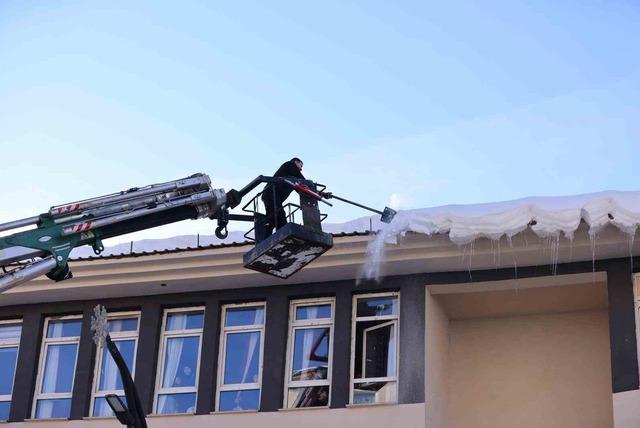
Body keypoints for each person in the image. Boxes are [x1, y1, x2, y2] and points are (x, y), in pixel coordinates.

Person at [261, 157, 305, 234]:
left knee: (274, 217)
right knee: (279, 215)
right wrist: (309, 184)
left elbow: (300, 189)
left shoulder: (291, 178)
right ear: (296, 162)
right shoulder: (290, 164)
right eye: (300, 166)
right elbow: (301, 179)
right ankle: (282, 234)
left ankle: (270, 234)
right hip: (271, 193)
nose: (301, 169)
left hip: (270, 194)